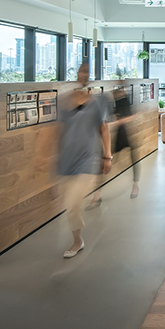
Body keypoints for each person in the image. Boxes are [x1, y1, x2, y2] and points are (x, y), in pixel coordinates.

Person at [57, 62, 112, 258]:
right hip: (67, 158)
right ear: (77, 73)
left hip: (89, 156)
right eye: (82, 71)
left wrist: (107, 155)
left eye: (88, 72)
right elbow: (56, 130)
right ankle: (78, 238)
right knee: (70, 206)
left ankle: (77, 241)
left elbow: (104, 129)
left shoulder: (97, 102)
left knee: (73, 202)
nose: (84, 75)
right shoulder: (64, 101)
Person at [109, 81, 141, 199]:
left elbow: (133, 116)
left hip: (129, 132)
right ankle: (97, 194)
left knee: (134, 159)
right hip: (119, 132)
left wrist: (118, 122)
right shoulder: (115, 101)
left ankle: (135, 184)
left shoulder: (128, 100)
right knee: (107, 158)